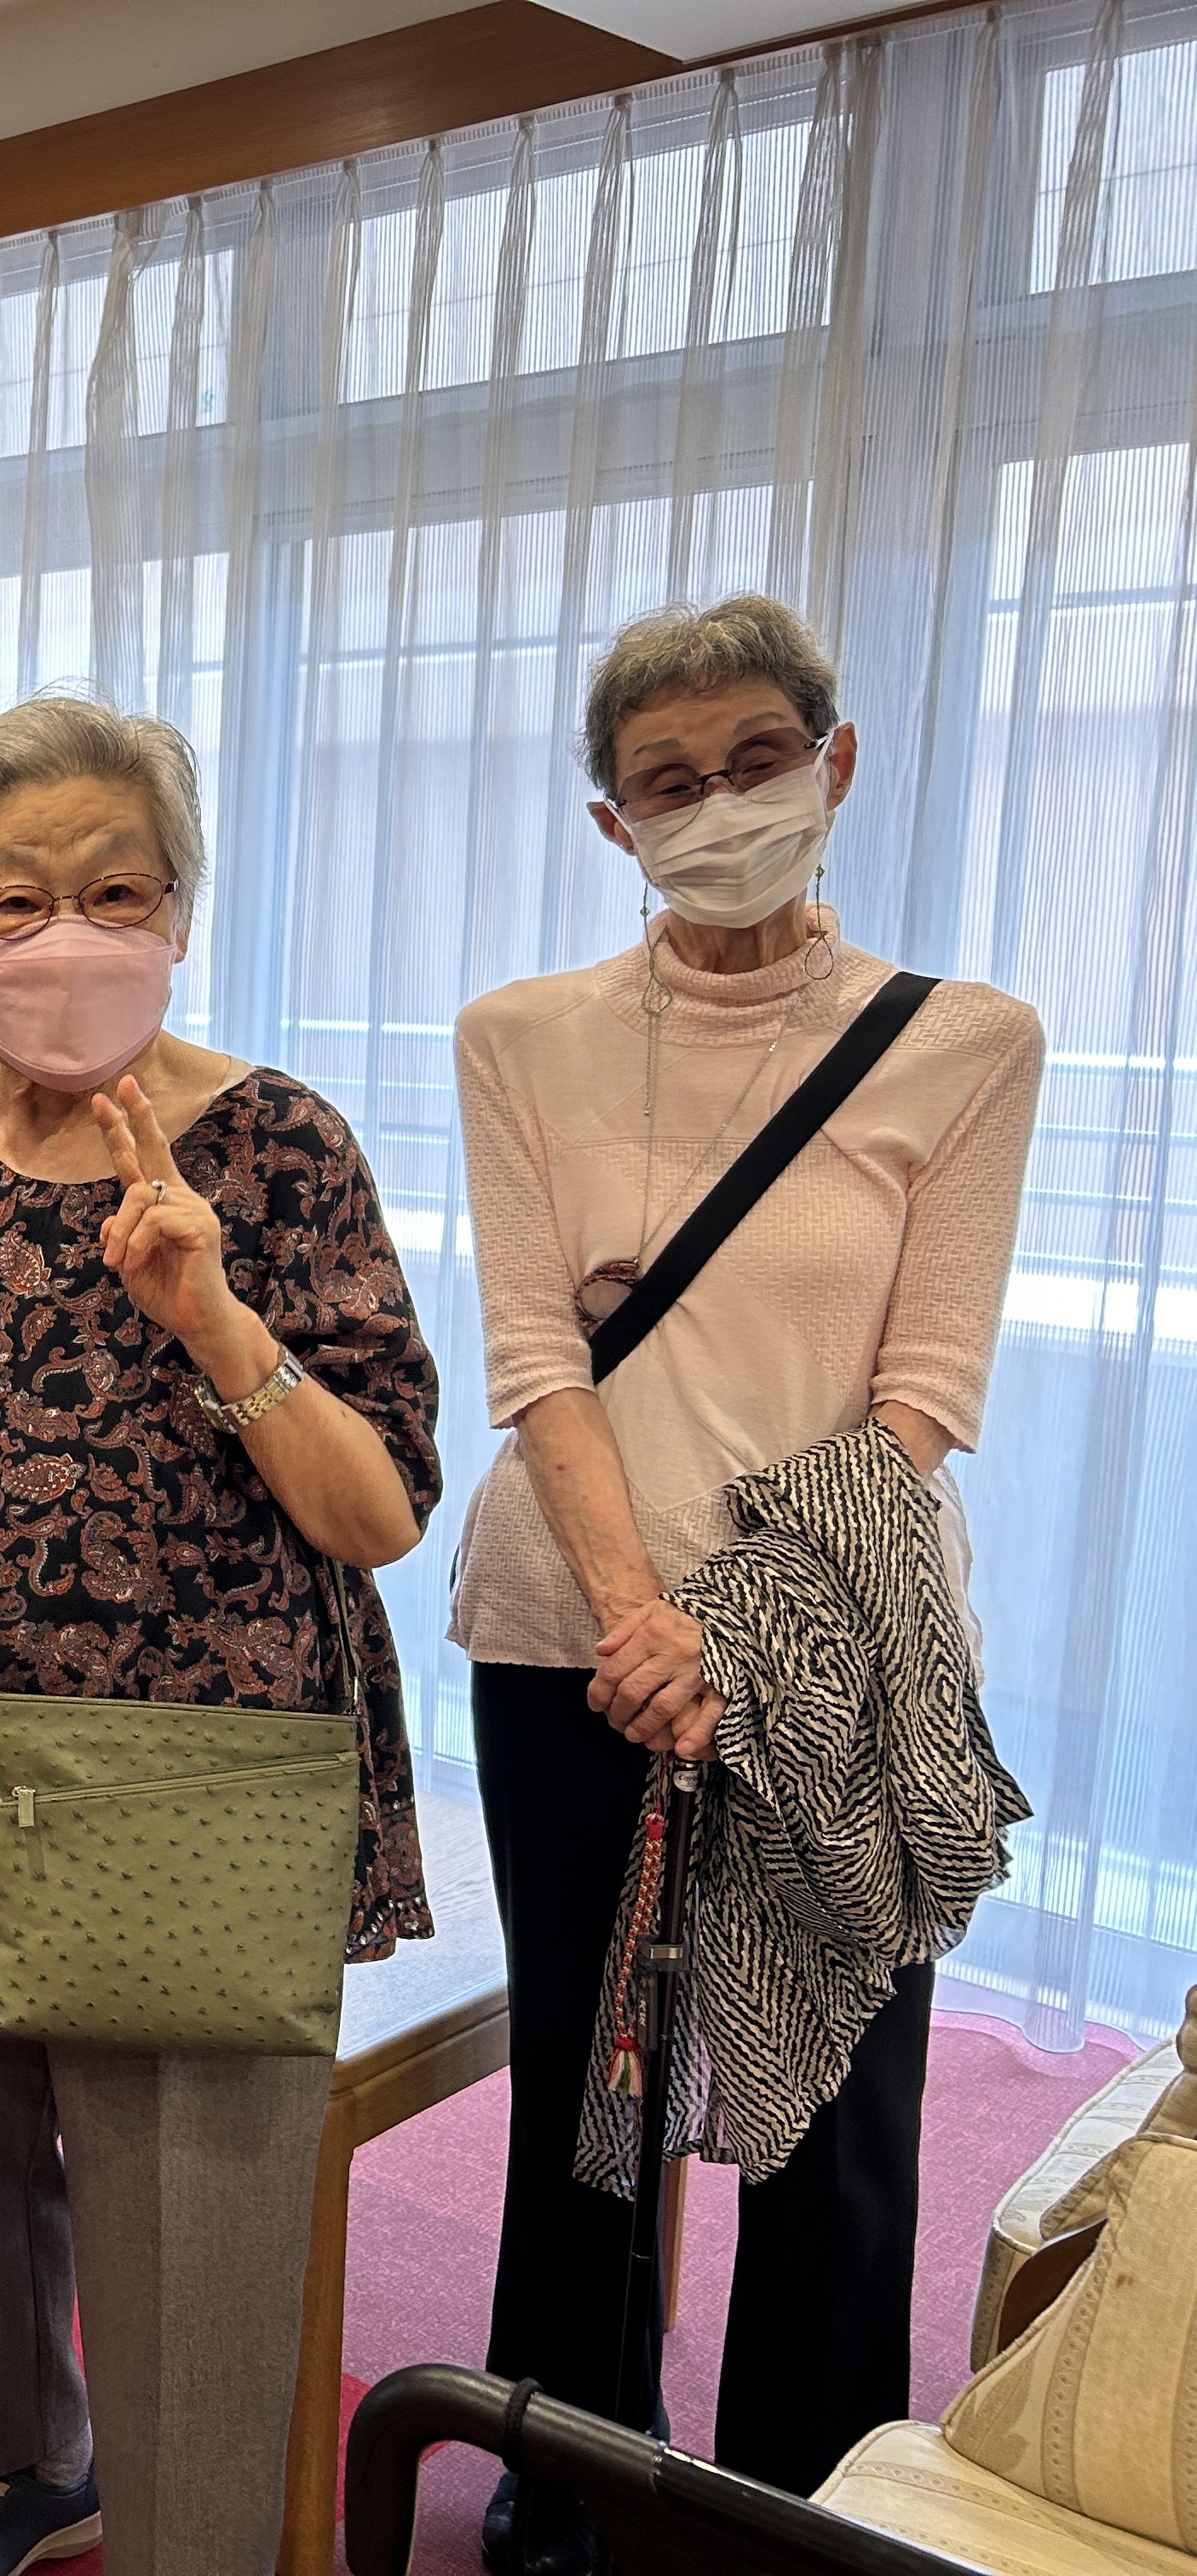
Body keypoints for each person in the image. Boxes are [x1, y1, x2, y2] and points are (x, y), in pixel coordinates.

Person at [0, 694, 439, 2576]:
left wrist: (212, 1312)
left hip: (185, 1773)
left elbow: (377, 1508)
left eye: (112, 889)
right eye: (9, 901)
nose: (62, 935)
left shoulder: (278, 1149)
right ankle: (16, 2460)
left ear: (181, 909)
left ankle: (192, 2540)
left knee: (183, 2212)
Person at [452, 595, 1043, 2565]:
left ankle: (803, 2492)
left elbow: (924, 1402)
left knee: (843, 2112)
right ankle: (569, 2452)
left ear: (836, 763)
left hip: (850, 1644)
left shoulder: (964, 1045)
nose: (719, 809)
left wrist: (733, 1630)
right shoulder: (518, 1038)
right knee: (591, 2072)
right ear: (611, 820)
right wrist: (646, 1619)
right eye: (669, 782)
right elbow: (539, 1360)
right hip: (571, 1639)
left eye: (756, 763)